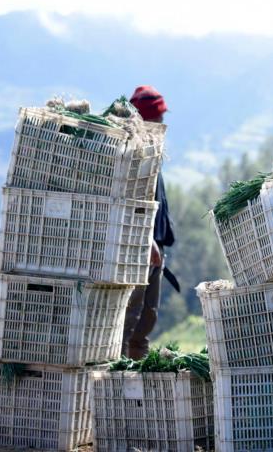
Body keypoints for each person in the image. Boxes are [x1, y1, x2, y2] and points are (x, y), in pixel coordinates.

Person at [121, 85, 176, 360]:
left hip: (155, 251)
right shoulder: (131, 154)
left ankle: (135, 382)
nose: (162, 125)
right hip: (138, 247)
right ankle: (115, 381)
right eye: (157, 119)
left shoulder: (152, 151)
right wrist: (147, 240)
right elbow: (129, 204)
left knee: (145, 320)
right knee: (128, 320)